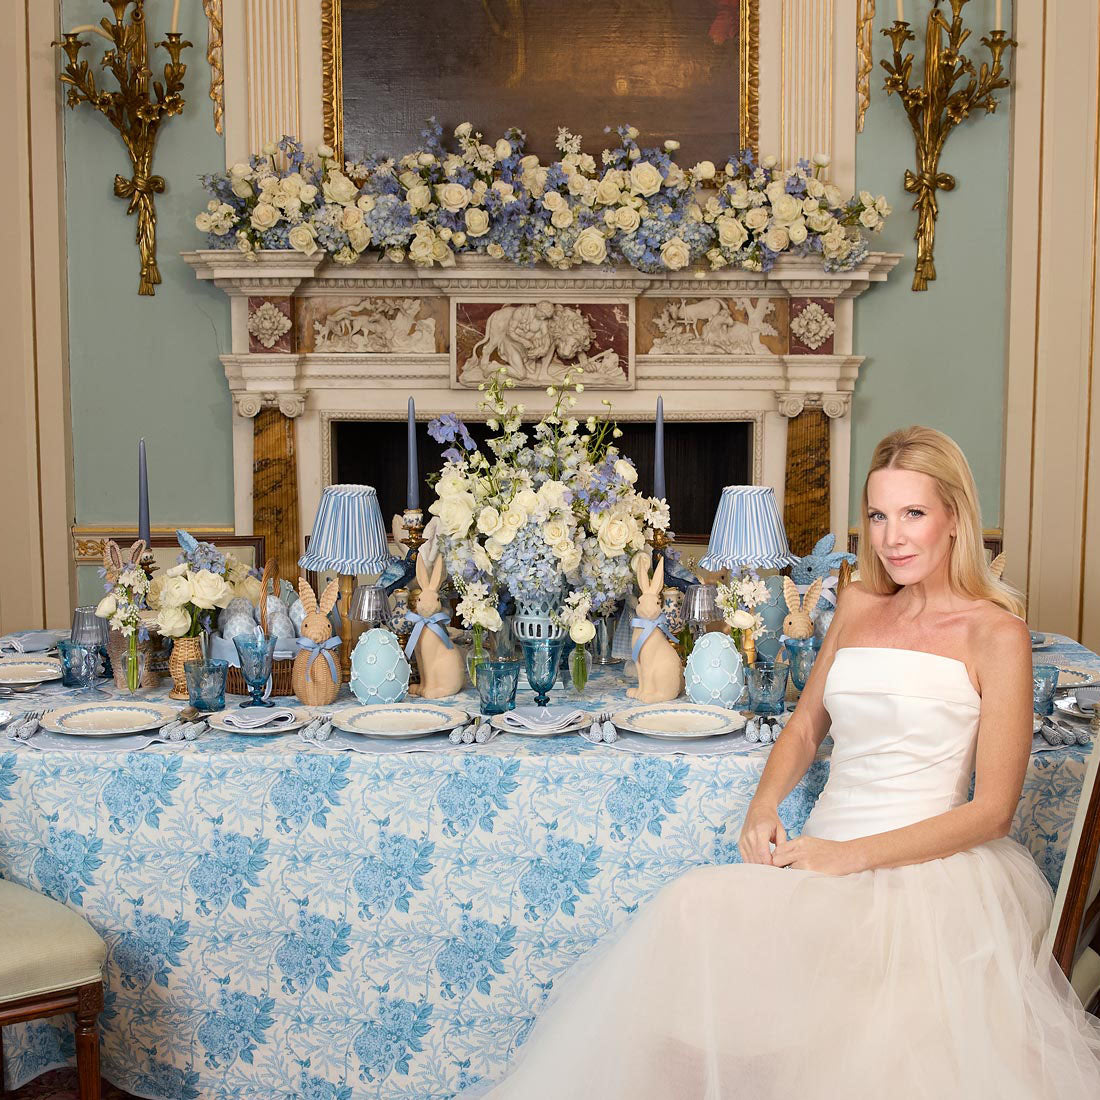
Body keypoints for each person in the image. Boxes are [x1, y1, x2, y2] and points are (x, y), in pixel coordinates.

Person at [464, 426, 1100, 1098]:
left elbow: (993, 812)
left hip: (922, 875)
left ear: (955, 518)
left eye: (913, 513)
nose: (893, 538)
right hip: (817, 856)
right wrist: (763, 806)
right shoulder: (859, 605)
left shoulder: (995, 633)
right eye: (878, 516)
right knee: (688, 911)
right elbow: (803, 728)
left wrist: (849, 857)